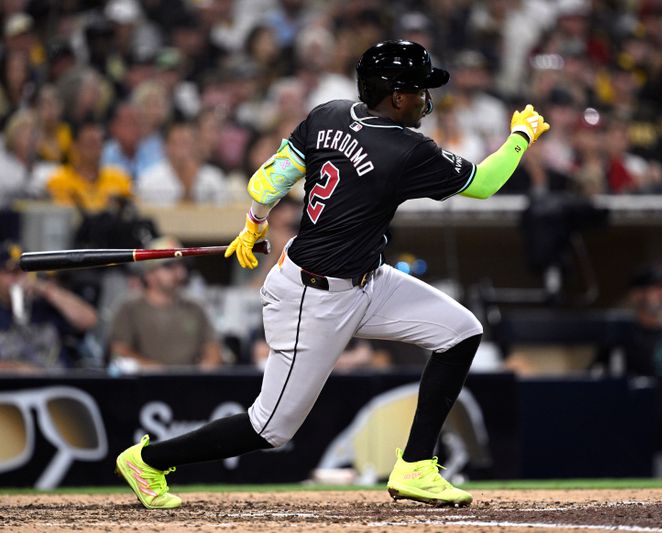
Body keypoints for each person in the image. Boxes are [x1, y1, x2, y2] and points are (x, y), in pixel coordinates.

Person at [114, 40, 549, 509]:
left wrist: (253, 223)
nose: (426, 99)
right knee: (269, 428)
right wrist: (520, 135)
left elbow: (267, 180)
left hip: (366, 280)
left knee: (461, 332)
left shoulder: (329, 113)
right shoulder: (406, 149)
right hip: (313, 297)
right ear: (397, 96)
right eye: (420, 90)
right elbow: (484, 184)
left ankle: (417, 466)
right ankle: (149, 460)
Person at [591, 265, 662, 476]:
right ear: (637, 294)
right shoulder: (620, 339)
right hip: (624, 444)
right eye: (655, 288)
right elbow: (597, 384)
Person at [107, 237, 222, 372]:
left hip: (189, 386)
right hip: (143, 385)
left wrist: (200, 374)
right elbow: (119, 352)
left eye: (181, 264)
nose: (178, 271)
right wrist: (160, 373)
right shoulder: (129, 307)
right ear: (149, 273)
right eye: (168, 265)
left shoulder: (195, 307)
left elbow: (213, 351)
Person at [0, 241, 98, 370]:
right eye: (11, 273)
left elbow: (89, 320)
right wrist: (15, 369)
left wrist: (47, 290)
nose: (18, 279)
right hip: (11, 387)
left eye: (24, 272)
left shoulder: (46, 303)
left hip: (56, 384)